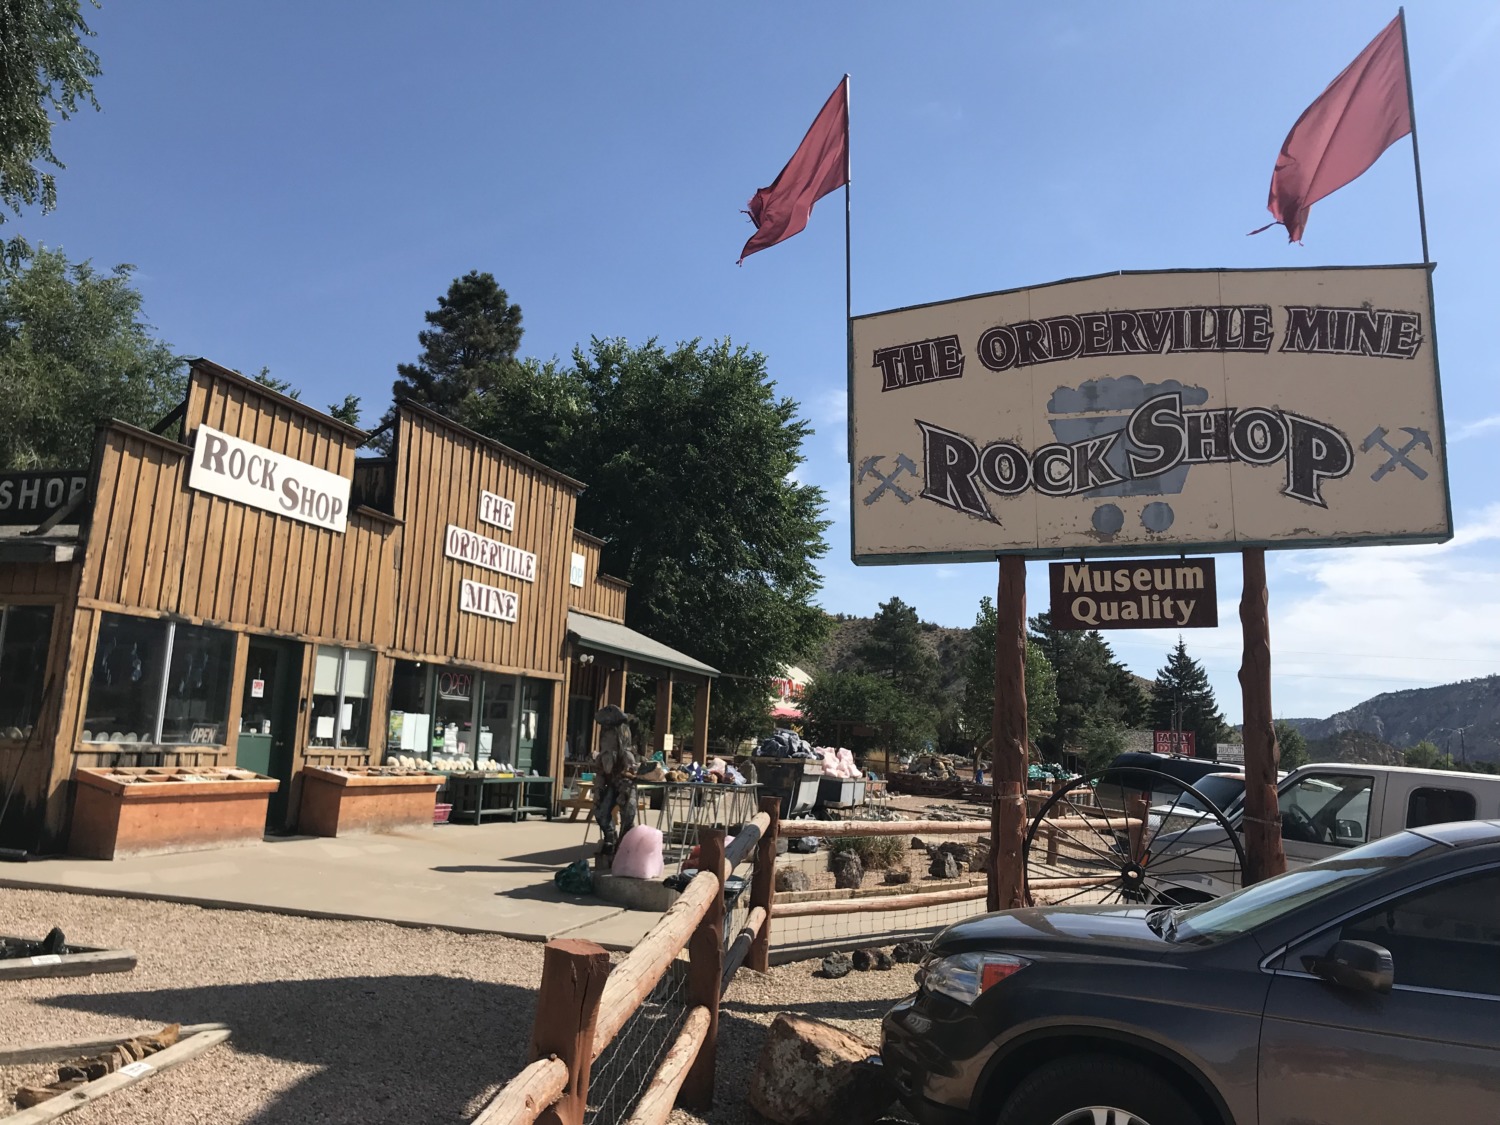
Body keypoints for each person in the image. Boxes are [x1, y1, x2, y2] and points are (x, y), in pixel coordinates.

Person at [593, 704, 638, 854]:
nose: (606, 737)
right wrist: (598, 790)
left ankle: (625, 842)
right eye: (604, 734)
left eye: (610, 733)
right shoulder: (603, 757)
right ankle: (609, 836)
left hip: (625, 787)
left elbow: (631, 776)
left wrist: (623, 792)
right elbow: (600, 774)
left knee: (629, 811)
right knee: (600, 812)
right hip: (611, 786)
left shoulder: (626, 756)